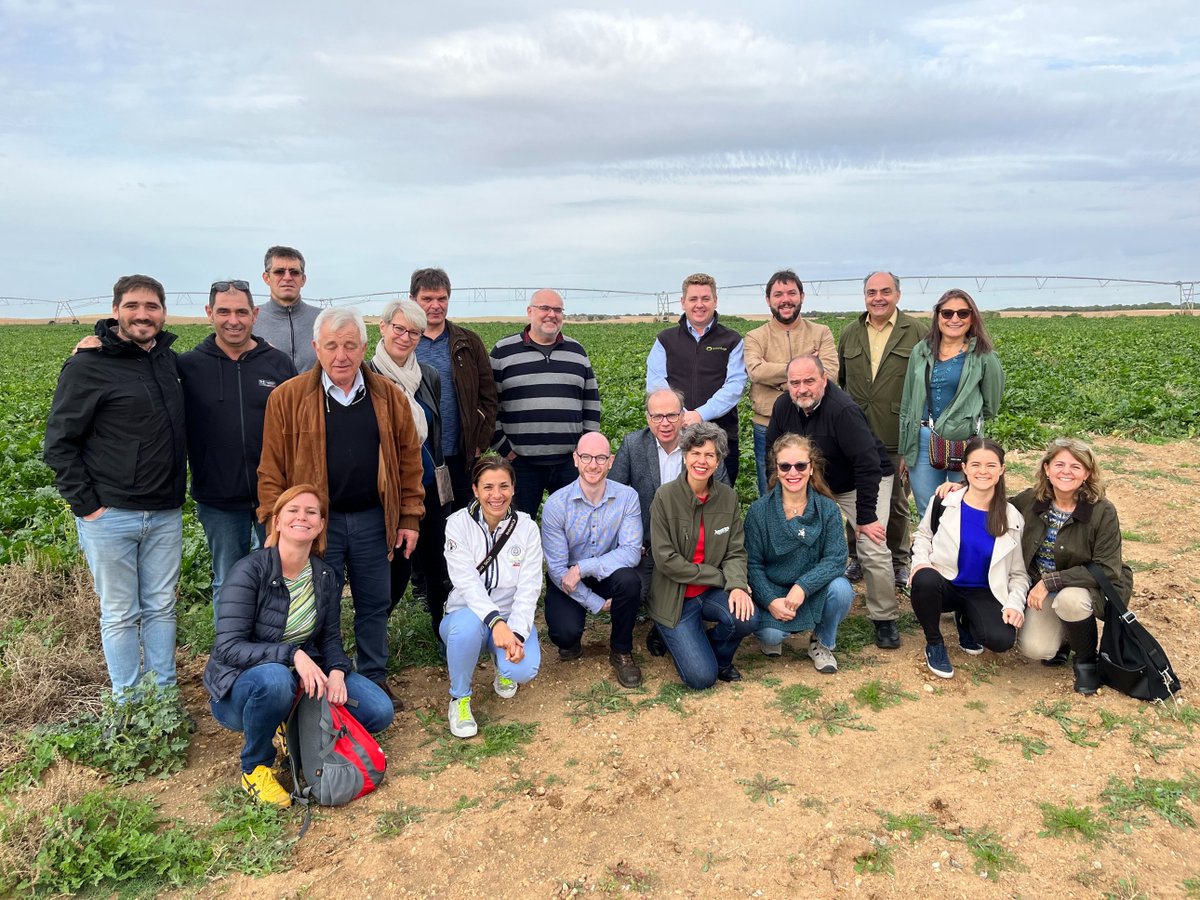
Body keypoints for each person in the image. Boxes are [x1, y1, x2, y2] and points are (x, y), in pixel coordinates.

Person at [258, 307, 425, 709]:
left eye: (350, 345)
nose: (341, 355)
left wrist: (408, 516)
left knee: (374, 602)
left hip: (371, 518)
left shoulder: (388, 397)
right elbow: (270, 470)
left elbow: (408, 461)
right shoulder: (288, 398)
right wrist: (274, 526)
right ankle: (315, 681)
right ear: (317, 348)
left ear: (364, 347)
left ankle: (372, 678)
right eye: (332, 345)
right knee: (316, 604)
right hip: (314, 525)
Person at [203, 485, 394, 807]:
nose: (301, 517)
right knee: (275, 680)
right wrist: (293, 654)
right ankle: (255, 767)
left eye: (311, 512)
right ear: (277, 521)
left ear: (321, 525)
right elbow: (229, 647)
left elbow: (330, 638)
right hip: (241, 688)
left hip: (303, 678)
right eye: (293, 510)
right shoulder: (249, 571)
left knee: (379, 711)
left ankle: (293, 727)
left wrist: (335, 671)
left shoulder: (325, 575)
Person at [44, 274, 186, 701]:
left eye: (152, 306)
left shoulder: (168, 361)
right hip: (110, 515)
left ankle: (163, 696)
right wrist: (88, 506)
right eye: (133, 306)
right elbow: (59, 443)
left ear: (162, 312)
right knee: (121, 614)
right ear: (115, 311)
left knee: (162, 608)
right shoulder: (87, 365)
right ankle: (128, 703)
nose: (143, 314)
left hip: (165, 512)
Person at [179, 280, 297, 622]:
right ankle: (230, 654)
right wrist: (98, 339)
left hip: (273, 498)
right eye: (224, 311)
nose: (234, 320)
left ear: (255, 314)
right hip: (217, 497)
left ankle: (276, 651)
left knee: (278, 576)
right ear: (209, 313)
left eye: (242, 311)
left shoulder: (277, 364)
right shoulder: (188, 367)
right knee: (228, 580)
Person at [766, 355, 900, 649]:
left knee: (872, 544)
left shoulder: (843, 411)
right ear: (787, 385)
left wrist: (865, 516)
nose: (802, 388)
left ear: (824, 380)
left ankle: (884, 617)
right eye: (795, 382)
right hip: (811, 480)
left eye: (809, 381)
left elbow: (867, 464)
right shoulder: (782, 407)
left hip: (859, 480)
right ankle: (799, 598)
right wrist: (774, 502)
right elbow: (772, 456)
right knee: (797, 536)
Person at [1013, 438, 1127, 695]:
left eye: (1076, 466)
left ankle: (1086, 660)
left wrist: (1050, 581)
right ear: (1047, 469)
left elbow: (1108, 569)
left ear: (1087, 473)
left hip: (1085, 586)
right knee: (1036, 649)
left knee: (1071, 601)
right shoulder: (1031, 500)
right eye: (1059, 464)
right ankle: (1064, 638)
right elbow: (994, 504)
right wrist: (961, 487)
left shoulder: (1102, 511)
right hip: (1042, 588)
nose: (1067, 471)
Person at [647, 422, 755, 689]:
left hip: (709, 594)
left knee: (746, 618)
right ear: (684, 457)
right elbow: (666, 560)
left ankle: (717, 654)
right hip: (676, 598)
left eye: (710, 455)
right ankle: (669, 633)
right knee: (701, 678)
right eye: (696, 453)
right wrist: (719, 577)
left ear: (718, 462)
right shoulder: (665, 497)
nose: (702, 461)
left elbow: (735, 551)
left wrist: (738, 585)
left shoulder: (727, 498)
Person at [838, 271, 929, 586]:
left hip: (895, 432)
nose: (878, 298)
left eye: (885, 291)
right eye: (871, 292)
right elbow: (843, 383)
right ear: (864, 296)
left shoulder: (917, 332)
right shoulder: (850, 332)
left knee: (896, 500)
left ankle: (899, 558)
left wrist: (911, 441)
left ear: (898, 295)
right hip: (856, 432)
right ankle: (857, 557)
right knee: (856, 494)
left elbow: (925, 388)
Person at [441, 457, 543, 738]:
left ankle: (503, 665)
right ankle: (459, 699)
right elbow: (467, 583)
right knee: (467, 629)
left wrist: (517, 635)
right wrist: (495, 621)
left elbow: (530, 587)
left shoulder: (527, 528)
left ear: (513, 488)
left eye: (503, 486)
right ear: (475, 489)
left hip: (510, 618)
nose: (496, 495)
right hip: (465, 615)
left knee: (524, 669)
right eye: (488, 487)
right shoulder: (457, 525)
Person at [910, 438, 1028, 679]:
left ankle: (966, 619)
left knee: (1001, 640)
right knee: (925, 579)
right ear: (963, 467)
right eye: (975, 464)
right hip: (946, 583)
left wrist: (1015, 603)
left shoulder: (1012, 516)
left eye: (991, 465)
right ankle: (934, 643)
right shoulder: (944, 501)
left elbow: (1018, 573)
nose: (982, 471)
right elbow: (923, 535)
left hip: (984, 591)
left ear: (1002, 469)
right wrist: (920, 562)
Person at [369, 298, 452, 645]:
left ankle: (445, 634)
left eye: (413, 332)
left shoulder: (427, 376)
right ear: (383, 327)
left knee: (439, 564)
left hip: (428, 485)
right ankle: (372, 641)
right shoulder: (367, 376)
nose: (405, 337)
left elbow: (433, 431)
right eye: (399, 328)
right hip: (388, 491)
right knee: (395, 569)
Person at [541, 432, 644, 687]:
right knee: (564, 633)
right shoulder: (557, 504)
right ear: (576, 459)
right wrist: (596, 603)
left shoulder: (627, 497)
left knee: (630, 581)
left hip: (607, 573)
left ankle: (621, 650)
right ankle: (572, 639)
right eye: (586, 457)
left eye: (600, 458)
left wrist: (583, 568)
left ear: (611, 461)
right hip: (567, 580)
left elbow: (631, 551)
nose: (593, 464)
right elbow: (556, 568)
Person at [745, 435, 855, 673]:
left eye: (800, 465)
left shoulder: (827, 508)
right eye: (785, 466)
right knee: (772, 636)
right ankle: (772, 631)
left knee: (842, 589)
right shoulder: (758, 512)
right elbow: (752, 564)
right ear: (777, 468)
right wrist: (769, 600)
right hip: (774, 591)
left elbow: (836, 559)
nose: (792, 472)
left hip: (812, 590)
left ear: (811, 467)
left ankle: (822, 642)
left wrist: (803, 586)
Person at [610, 387, 730, 600]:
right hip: (648, 547)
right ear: (648, 418)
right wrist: (630, 539)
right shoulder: (633, 445)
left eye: (672, 415)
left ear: (683, 416)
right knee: (634, 595)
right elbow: (613, 495)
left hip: (693, 548)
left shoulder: (702, 448)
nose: (664, 423)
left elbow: (723, 499)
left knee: (685, 597)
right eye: (657, 416)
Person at [490, 289, 601, 518]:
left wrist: (586, 450)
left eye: (558, 310)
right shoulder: (503, 352)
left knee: (575, 526)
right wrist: (504, 447)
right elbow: (490, 404)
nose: (552, 314)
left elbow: (591, 402)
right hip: (520, 464)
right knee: (517, 526)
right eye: (545, 308)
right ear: (530, 312)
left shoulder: (577, 351)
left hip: (569, 463)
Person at [899, 288, 1004, 519]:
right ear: (937, 317)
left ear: (972, 318)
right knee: (929, 508)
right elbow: (908, 402)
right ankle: (935, 553)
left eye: (962, 313)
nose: (954, 319)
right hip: (924, 437)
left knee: (966, 505)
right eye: (947, 313)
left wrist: (963, 419)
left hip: (966, 440)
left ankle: (961, 554)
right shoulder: (921, 351)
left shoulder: (984, 356)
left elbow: (991, 404)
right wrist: (906, 448)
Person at [646, 273, 747, 485]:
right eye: (693, 299)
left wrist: (700, 414)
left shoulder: (732, 340)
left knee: (718, 503)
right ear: (683, 302)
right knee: (674, 500)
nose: (699, 305)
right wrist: (679, 415)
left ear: (715, 301)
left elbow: (735, 386)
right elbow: (657, 383)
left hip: (722, 437)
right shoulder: (665, 339)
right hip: (675, 438)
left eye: (705, 298)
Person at [411, 268, 499, 511]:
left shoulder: (468, 342)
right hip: (416, 456)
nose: (435, 305)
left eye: (442, 298)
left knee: (462, 520)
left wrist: (479, 442)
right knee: (423, 524)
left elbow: (488, 396)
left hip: (460, 455)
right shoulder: (404, 342)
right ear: (413, 301)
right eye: (427, 299)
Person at [744, 270, 837, 495]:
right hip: (766, 426)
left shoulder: (821, 332)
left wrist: (776, 380)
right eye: (778, 294)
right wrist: (807, 371)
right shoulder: (755, 336)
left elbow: (831, 374)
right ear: (768, 300)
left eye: (791, 293)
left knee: (816, 490)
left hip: (815, 424)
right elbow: (756, 371)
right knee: (770, 489)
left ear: (802, 296)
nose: (785, 300)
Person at [255, 246, 320, 373]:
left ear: (303, 280)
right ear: (266, 278)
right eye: (279, 272)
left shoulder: (323, 320)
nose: (287, 277)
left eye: (294, 272)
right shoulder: (251, 320)